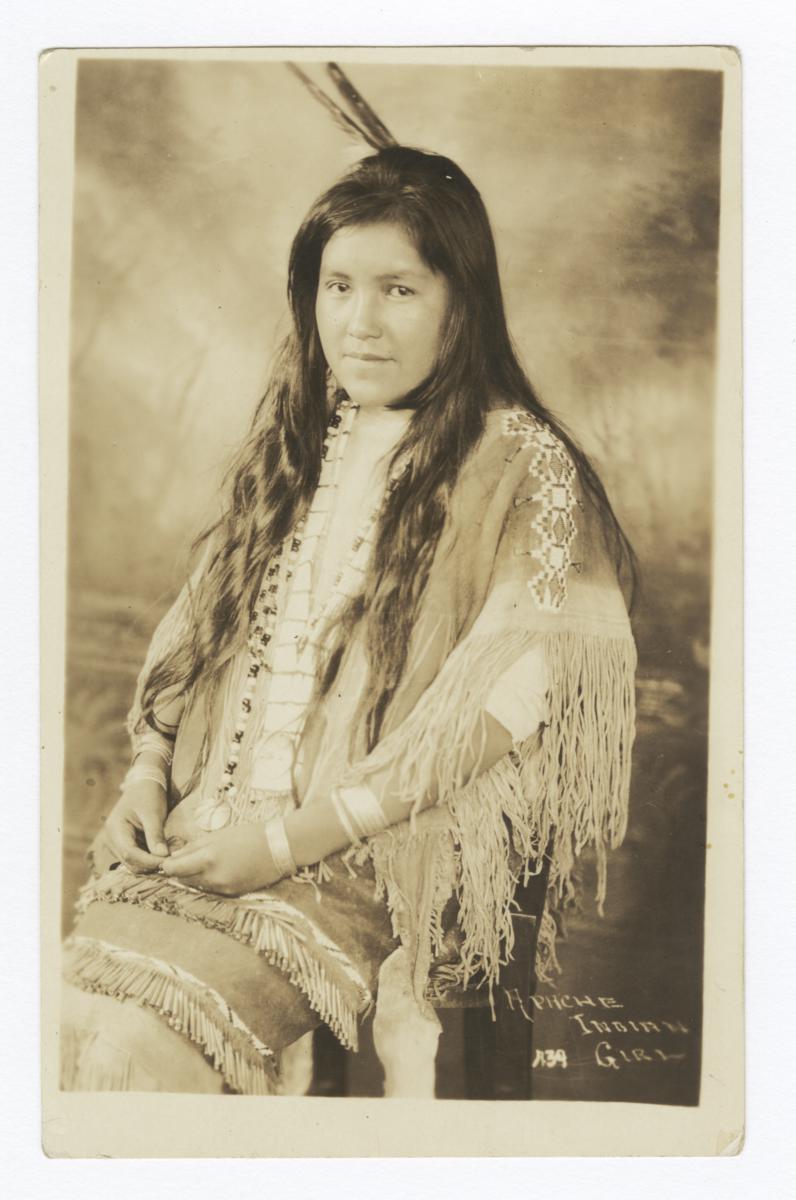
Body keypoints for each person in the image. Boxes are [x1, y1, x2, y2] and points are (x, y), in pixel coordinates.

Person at [61, 145, 638, 1095]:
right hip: (207, 836)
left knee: (134, 1051)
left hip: (369, 857)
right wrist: (147, 780)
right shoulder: (298, 443)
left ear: (463, 303)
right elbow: (196, 645)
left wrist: (284, 844)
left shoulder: (523, 468)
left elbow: (504, 707)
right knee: (58, 1028)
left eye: (399, 291)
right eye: (338, 287)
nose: (360, 325)